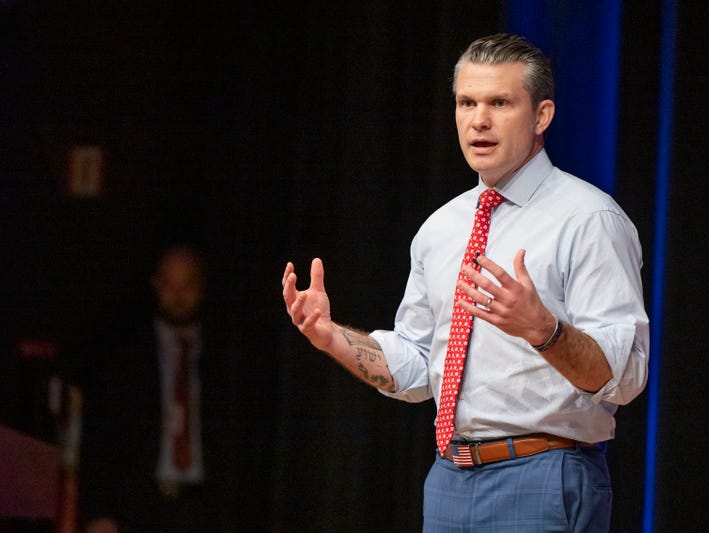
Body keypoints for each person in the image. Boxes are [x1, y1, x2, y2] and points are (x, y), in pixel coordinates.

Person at [282, 33, 649, 531]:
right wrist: (331, 337)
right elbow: (418, 366)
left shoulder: (589, 220)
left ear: (541, 116)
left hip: (544, 472)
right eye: (467, 103)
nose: (479, 120)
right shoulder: (440, 229)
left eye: (500, 103)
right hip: (449, 479)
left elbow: (625, 377)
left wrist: (543, 330)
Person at [81, 244, 244, 532]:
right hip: (140, 505)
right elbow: (101, 434)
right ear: (156, 285)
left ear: (202, 287)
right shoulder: (127, 354)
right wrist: (99, 511)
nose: (179, 296)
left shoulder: (225, 353)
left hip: (205, 507)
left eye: (187, 285)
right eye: (170, 285)